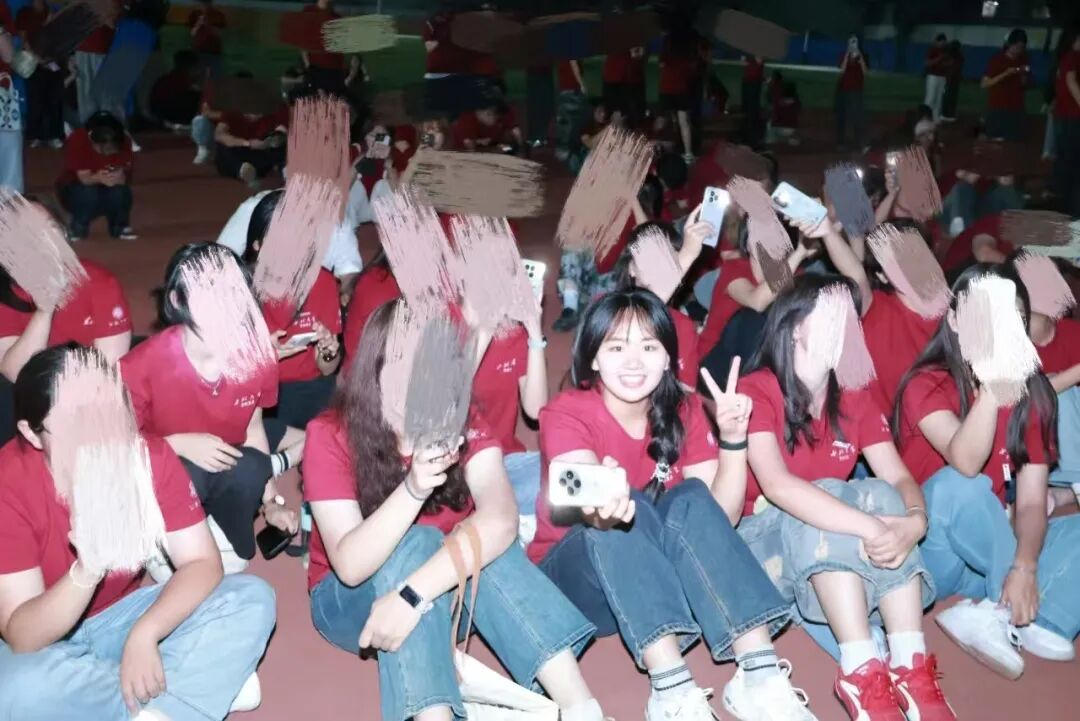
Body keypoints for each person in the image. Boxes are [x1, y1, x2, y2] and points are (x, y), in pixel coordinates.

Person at [305, 299, 611, 721]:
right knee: (422, 540)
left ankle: (581, 709)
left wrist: (412, 597)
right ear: (375, 369)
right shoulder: (330, 434)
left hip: (437, 589)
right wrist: (413, 490)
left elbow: (501, 520)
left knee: (485, 543)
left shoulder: (464, 420)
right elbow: (351, 566)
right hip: (352, 602)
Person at [532, 288, 814, 721]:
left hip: (655, 579)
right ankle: (671, 690)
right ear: (593, 358)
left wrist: (733, 440)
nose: (633, 361)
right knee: (628, 505)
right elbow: (579, 483)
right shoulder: (566, 410)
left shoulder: (685, 409)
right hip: (574, 581)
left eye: (649, 347)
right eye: (616, 347)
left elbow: (718, 518)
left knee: (691, 497)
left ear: (668, 358)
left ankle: (760, 675)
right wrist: (603, 500)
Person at [0, 344, 277, 721]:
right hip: (48, 641)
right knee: (14, 687)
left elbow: (201, 562)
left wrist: (145, 632)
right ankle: (188, 688)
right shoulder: (9, 485)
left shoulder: (147, 457)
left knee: (252, 598)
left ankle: (162, 694)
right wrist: (88, 569)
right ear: (32, 436)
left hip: (122, 616)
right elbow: (24, 636)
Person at [737, 274, 954, 721]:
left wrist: (915, 520)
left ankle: (908, 662)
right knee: (833, 492)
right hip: (760, 548)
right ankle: (860, 667)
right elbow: (777, 485)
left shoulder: (853, 395)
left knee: (878, 492)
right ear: (795, 327)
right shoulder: (757, 389)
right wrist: (869, 527)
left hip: (829, 546)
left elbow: (898, 476)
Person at [894, 263, 1080, 679]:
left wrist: (1025, 565)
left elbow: (1031, 501)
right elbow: (965, 462)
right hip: (932, 554)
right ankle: (1007, 605)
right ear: (955, 320)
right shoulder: (927, 383)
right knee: (960, 485)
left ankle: (1024, 615)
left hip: (991, 552)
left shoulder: (1034, 394)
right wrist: (994, 389)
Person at [120, 243, 302, 575]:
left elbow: (253, 431)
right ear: (178, 300)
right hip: (160, 469)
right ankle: (160, 540)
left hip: (221, 467)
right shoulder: (139, 366)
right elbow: (115, 448)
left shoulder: (257, 356)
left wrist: (271, 502)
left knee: (251, 467)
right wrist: (177, 444)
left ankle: (217, 528)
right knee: (184, 473)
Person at [244, 190, 342, 429]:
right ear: (257, 246)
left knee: (334, 434)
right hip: (258, 386)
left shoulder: (322, 282)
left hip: (309, 387)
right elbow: (224, 369)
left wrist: (328, 352)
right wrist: (264, 357)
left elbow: (327, 369)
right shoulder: (239, 287)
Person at [216, 189, 363, 305]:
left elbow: (350, 273)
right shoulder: (257, 209)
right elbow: (217, 265)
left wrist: (346, 295)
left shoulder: (335, 220)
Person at [56, 111, 136, 241]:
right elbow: (83, 178)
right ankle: (78, 227)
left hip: (108, 187)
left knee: (120, 192)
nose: (108, 153)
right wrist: (98, 178)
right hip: (76, 187)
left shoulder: (125, 141)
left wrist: (117, 177)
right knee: (87, 192)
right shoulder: (78, 139)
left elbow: (125, 174)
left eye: (112, 149)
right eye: (104, 149)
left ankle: (120, 226)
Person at [15, 0, 63, 149]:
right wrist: (39, 58)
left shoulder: (54, 12)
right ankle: (35, 135)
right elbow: (24, 40)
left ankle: (54, 135)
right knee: (35, 101)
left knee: (54, 101)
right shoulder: (24, 13)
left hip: (53, 62)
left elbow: (61, 37)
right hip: (33, 63)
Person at [213, 104, 288, 189]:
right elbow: (219, 134)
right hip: (239, 153)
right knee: (223, 146)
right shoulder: (233, 110)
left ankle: (285, 172)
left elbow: (281, 132)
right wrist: (248, 143)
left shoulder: (276, 108)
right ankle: (243, 171)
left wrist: (268, 142)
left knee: (281, 146)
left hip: (263, 152)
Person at [1051, 23, 1080, 216]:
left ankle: (1061, 195)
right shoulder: (1073, 56)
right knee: (1070, 157)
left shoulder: (1067, 57)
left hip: (1067, 115)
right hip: (1072, 115)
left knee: (1067, 156)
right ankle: (1064, 200)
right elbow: (1071, 82)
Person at [981, 29, 1030, 142]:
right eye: (1016, 46)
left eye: (1021, 47)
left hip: (1016, 108)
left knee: (1016, 140)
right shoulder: (997, 60)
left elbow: (1025, 83)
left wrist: (1023, 74)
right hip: (998, 108)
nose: (1018, 50)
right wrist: (1005, 74)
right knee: (994, 139)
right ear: (1010, 44)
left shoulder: (1023, 60)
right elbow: (984, 84)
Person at [148, 51, 202, 130]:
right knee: (197, 97)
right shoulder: (178, 77)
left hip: (161, 111)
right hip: (167, 111)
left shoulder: (171, 77)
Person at [836, 35, 868, 151]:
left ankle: (859, 143)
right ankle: (841, 143)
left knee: (858, 117)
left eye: (855, 42)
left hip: (856, 91)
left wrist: (860, 57)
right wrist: (847, 54)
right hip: (843, 90)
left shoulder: (862, 56)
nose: (853, 44)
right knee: (842, 117)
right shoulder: (843, 55)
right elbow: (842, 70)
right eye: (851, 42)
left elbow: (865, 71)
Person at [451, 101, 522, 153]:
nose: (496, 120)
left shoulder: (503, 112)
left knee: (510, 148)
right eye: (496, 117)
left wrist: (517, 143)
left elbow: (515, 133)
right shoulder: (466, 121)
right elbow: (470, 149)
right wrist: (492, 150)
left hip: (495, 147)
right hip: (469, 154)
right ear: (487, 113)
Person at [187, 0, 225, 80]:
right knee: (199, 79)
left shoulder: (218, 15)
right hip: (199, 52)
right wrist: (199, 23)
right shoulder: (195, 15)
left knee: (215, 79)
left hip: (214, 53)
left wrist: (208, 24)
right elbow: (192, 33)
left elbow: (220, 34)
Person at [924, 34, 949, 122]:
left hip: (942, 77)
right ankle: (925, 117)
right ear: (937, 41)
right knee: (930, 97)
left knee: (939, 98)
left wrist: (946, 64)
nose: (943, 44)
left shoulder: (945, 50)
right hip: (932, 76)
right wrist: (940, 58)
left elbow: (946, 64)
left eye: (944, 42)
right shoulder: (932, 49)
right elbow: (927, 63)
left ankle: (935, 117)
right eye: (941, 42)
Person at [941, 40, 963, 123]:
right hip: (954, 79)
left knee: (947, 97)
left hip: (950, 79)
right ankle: (950, 114)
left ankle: (946, 114)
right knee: (951, 97)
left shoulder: (953, 56)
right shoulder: (959, 56)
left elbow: (947, 64)